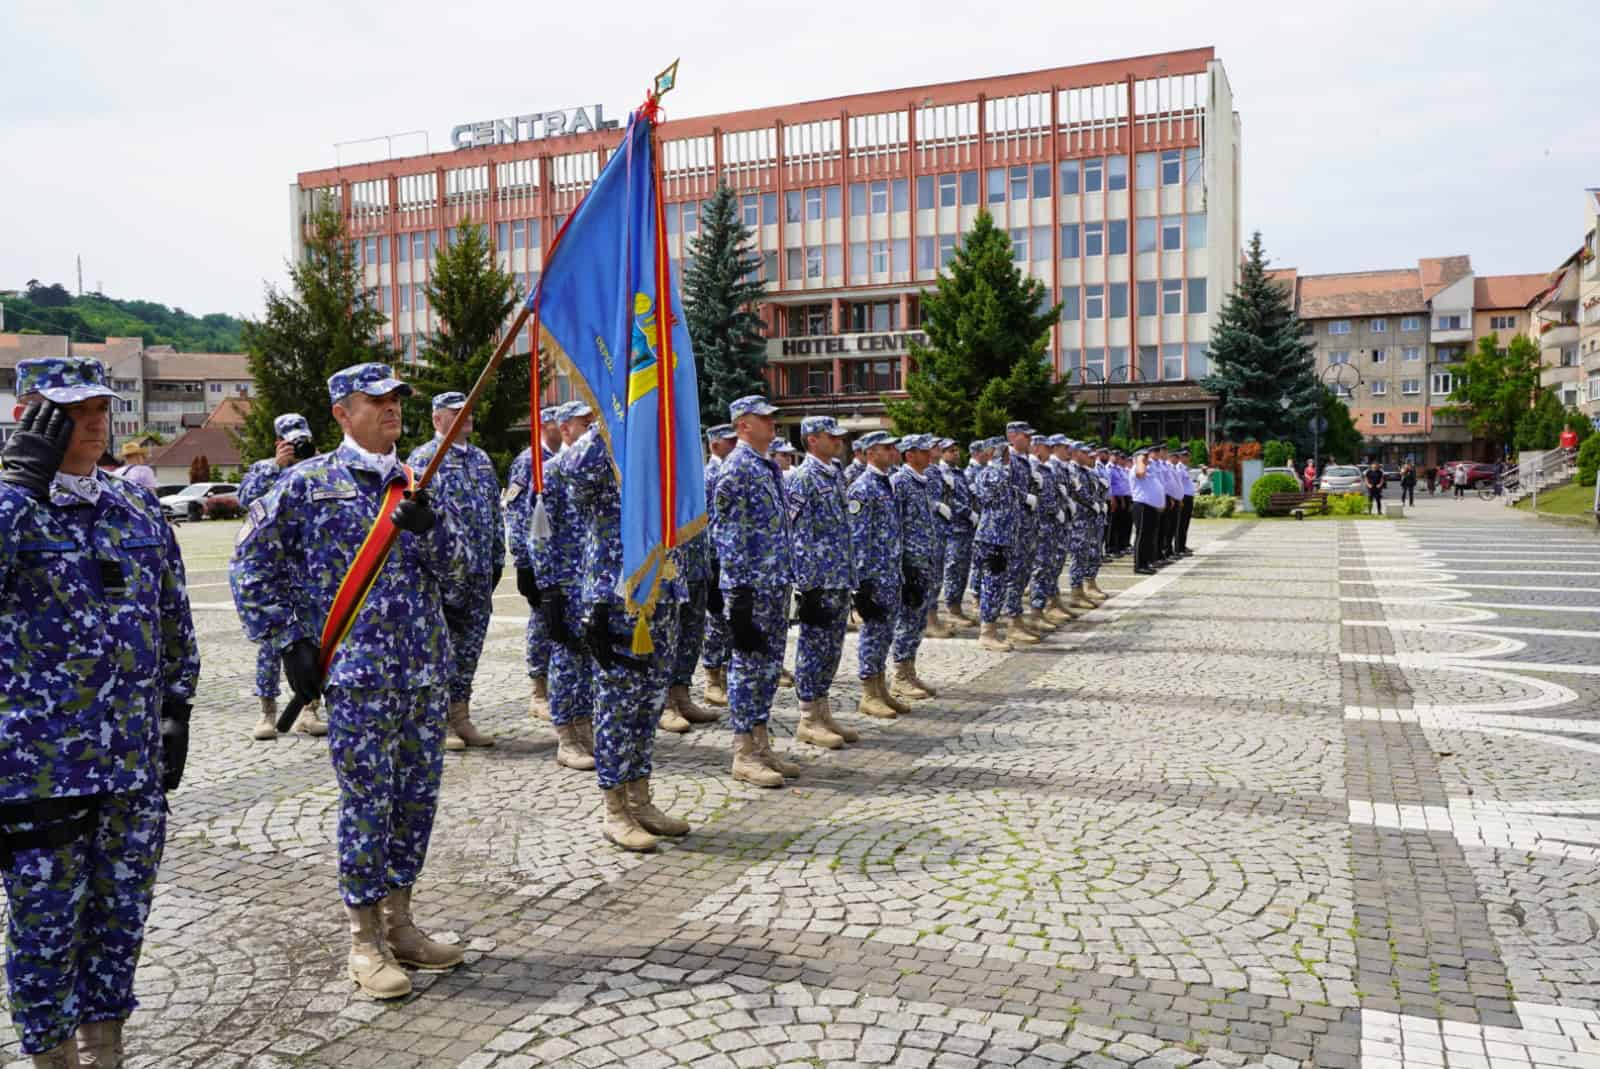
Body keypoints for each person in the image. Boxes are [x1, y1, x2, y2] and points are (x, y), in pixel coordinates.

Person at [231, 362, 469, 999]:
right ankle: (364, 937)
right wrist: (288, 642)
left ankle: (402, 923)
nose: (392, 409)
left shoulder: (418, 482)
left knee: (416, 802)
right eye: (377, 400)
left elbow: (462, 571)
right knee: (368, 804)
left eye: (396, 400)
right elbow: (250, 565)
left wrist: (435, 531)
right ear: (342, 412)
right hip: (358, 675)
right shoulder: (306, 484)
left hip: (422, 671)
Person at [1, 357, 200, 1067]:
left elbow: (173, 615)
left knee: (120, 917)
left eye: (99, 405)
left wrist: (177, 704)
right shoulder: (11, 507)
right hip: (40, 771)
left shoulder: (134, 505)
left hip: (131, 766)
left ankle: (104, 1050)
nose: (91, 418)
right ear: (32, 414)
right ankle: (52, 1056)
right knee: (46, 927)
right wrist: (18, 489)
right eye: (70, 407)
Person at [564, 400, 690, 849]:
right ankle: (614, 806)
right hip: (615, 597)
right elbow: (571, 472)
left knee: (650, 701)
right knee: (618, 706)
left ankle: (640, 798)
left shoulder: (657, 452)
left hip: (663, 590)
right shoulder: (601, 450)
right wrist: (610, 420)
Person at [712, 396, 801, 786]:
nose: (773, 425)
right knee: (747, 670)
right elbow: (726, 533)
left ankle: (762, 745)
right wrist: (739, 596)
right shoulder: (738, 468)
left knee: (767, 670)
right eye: (765, 419)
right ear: (743, 425)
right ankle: (743, 752)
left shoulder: (767, 467)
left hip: (773, 584)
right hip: (750, 587)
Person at [406, 392, 503, 751]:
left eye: (469, 412)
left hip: (479, 573)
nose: (467, 418)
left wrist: (498, 559)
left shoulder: (480, 459)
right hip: (443, 577)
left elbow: (494, 512)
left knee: (470, 648)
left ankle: (461, 715)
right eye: (456, 413)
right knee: (439, 650)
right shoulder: (425, 460)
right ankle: (438, 720)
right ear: (437, 420)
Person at [238, 413, 328, 740]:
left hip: (309, 571)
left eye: (301, 439)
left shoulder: (320, 468)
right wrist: (276, 466)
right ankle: (267, 713)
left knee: (315, 640)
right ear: (279, 441)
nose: (297, 446)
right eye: (291, 441)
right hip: (274, 570)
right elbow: (245, 500)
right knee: (272, 645)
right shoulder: (264, 469)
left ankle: (310, 710)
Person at [528, 402, 598, 771]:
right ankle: (567, 736)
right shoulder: (551, 472)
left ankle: (586, 729)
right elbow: (539, 532)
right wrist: (547, 587)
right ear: (566, 428)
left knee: (588, 659)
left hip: (593, 582)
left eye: (592, 422)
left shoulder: (596, 472)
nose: (589, 428)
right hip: (564, 582)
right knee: (566, 659)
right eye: (583, 423)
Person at [786, 415, 857, 748]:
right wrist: (806, 585)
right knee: (813, 647)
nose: (839, 441)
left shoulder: (835, 475)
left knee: (832, 647)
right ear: (812, 440)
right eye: (832, 436)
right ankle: (808, 717)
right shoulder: (802, 479)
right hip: (818, 580)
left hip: (839, 576)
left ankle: (823, 710)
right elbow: (796, 534)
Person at [848, 431, 914, 708]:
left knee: (886, 632)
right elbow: (858, 538)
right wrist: (862, 585)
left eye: (892, 448)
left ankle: (881, 687)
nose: (892, 452)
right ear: (870, 452)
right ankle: (868, 693)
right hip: (874, 577)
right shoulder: (863, 488)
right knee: (873, 633)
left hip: (890, 573)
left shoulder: (886, 484)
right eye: (886, 448)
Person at [506, 406, 563, 723]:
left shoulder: (563, 459)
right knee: (541, 623)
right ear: (545, 425)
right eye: (559, 423)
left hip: (562, 561)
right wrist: (523, 563)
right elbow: (516, 515)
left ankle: (558, 687)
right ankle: (538, 692)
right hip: (538, 562)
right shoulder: (529, 460)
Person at [889, 435, 941, 705]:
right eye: (923, 451)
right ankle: (899, 675)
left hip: (925, 561)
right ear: (910, 455)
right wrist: (902, 566)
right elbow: (894, 526)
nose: (930, 454)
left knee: (918, 619)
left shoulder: (923, 481)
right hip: (910, 563)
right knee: (907, 619)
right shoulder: (900, 482)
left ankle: (910, 670)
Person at [972, 437, 1028, 650]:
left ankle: (991, 628)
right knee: (992, 586)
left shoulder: (999, 473)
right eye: (1005, 450)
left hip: (1002, 537)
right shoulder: (992, 473)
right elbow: (989, 496)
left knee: (998, 585)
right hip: (993, 537)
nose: (1009, 454)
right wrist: (999, 464)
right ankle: (987, 632)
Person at [699, 425, 737, 707]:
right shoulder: (710, 474)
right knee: (716, 621)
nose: (735, 445)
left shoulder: (731, 470)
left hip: (730, 558)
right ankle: (712, 677)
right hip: (715, 557)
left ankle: (725, 671)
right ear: (715, 445)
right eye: (730, 441)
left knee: (729, 620)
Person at [938, 439, 978, 625]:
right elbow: (948, 500)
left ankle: (958, 606)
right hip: (953, 528)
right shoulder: (941, 473)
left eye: (956, 450)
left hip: (966, 529)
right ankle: (952, 608)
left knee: (963, 569)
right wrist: (967, 512)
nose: (956, 453)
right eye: (951, 451)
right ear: (942, 453)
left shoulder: (959, 473)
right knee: (953, 568)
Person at [1130, 446, 1164, 575]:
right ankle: (1139, 565)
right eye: (1144, 456)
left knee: (1149, 536)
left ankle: (1146, 562)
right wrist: (1139, 460)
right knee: (1142, 536)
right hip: (1142, 506)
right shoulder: (1137, 468)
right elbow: (1140, 473)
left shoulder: (1149, 470)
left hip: (1151, 507)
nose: (1147, 459)